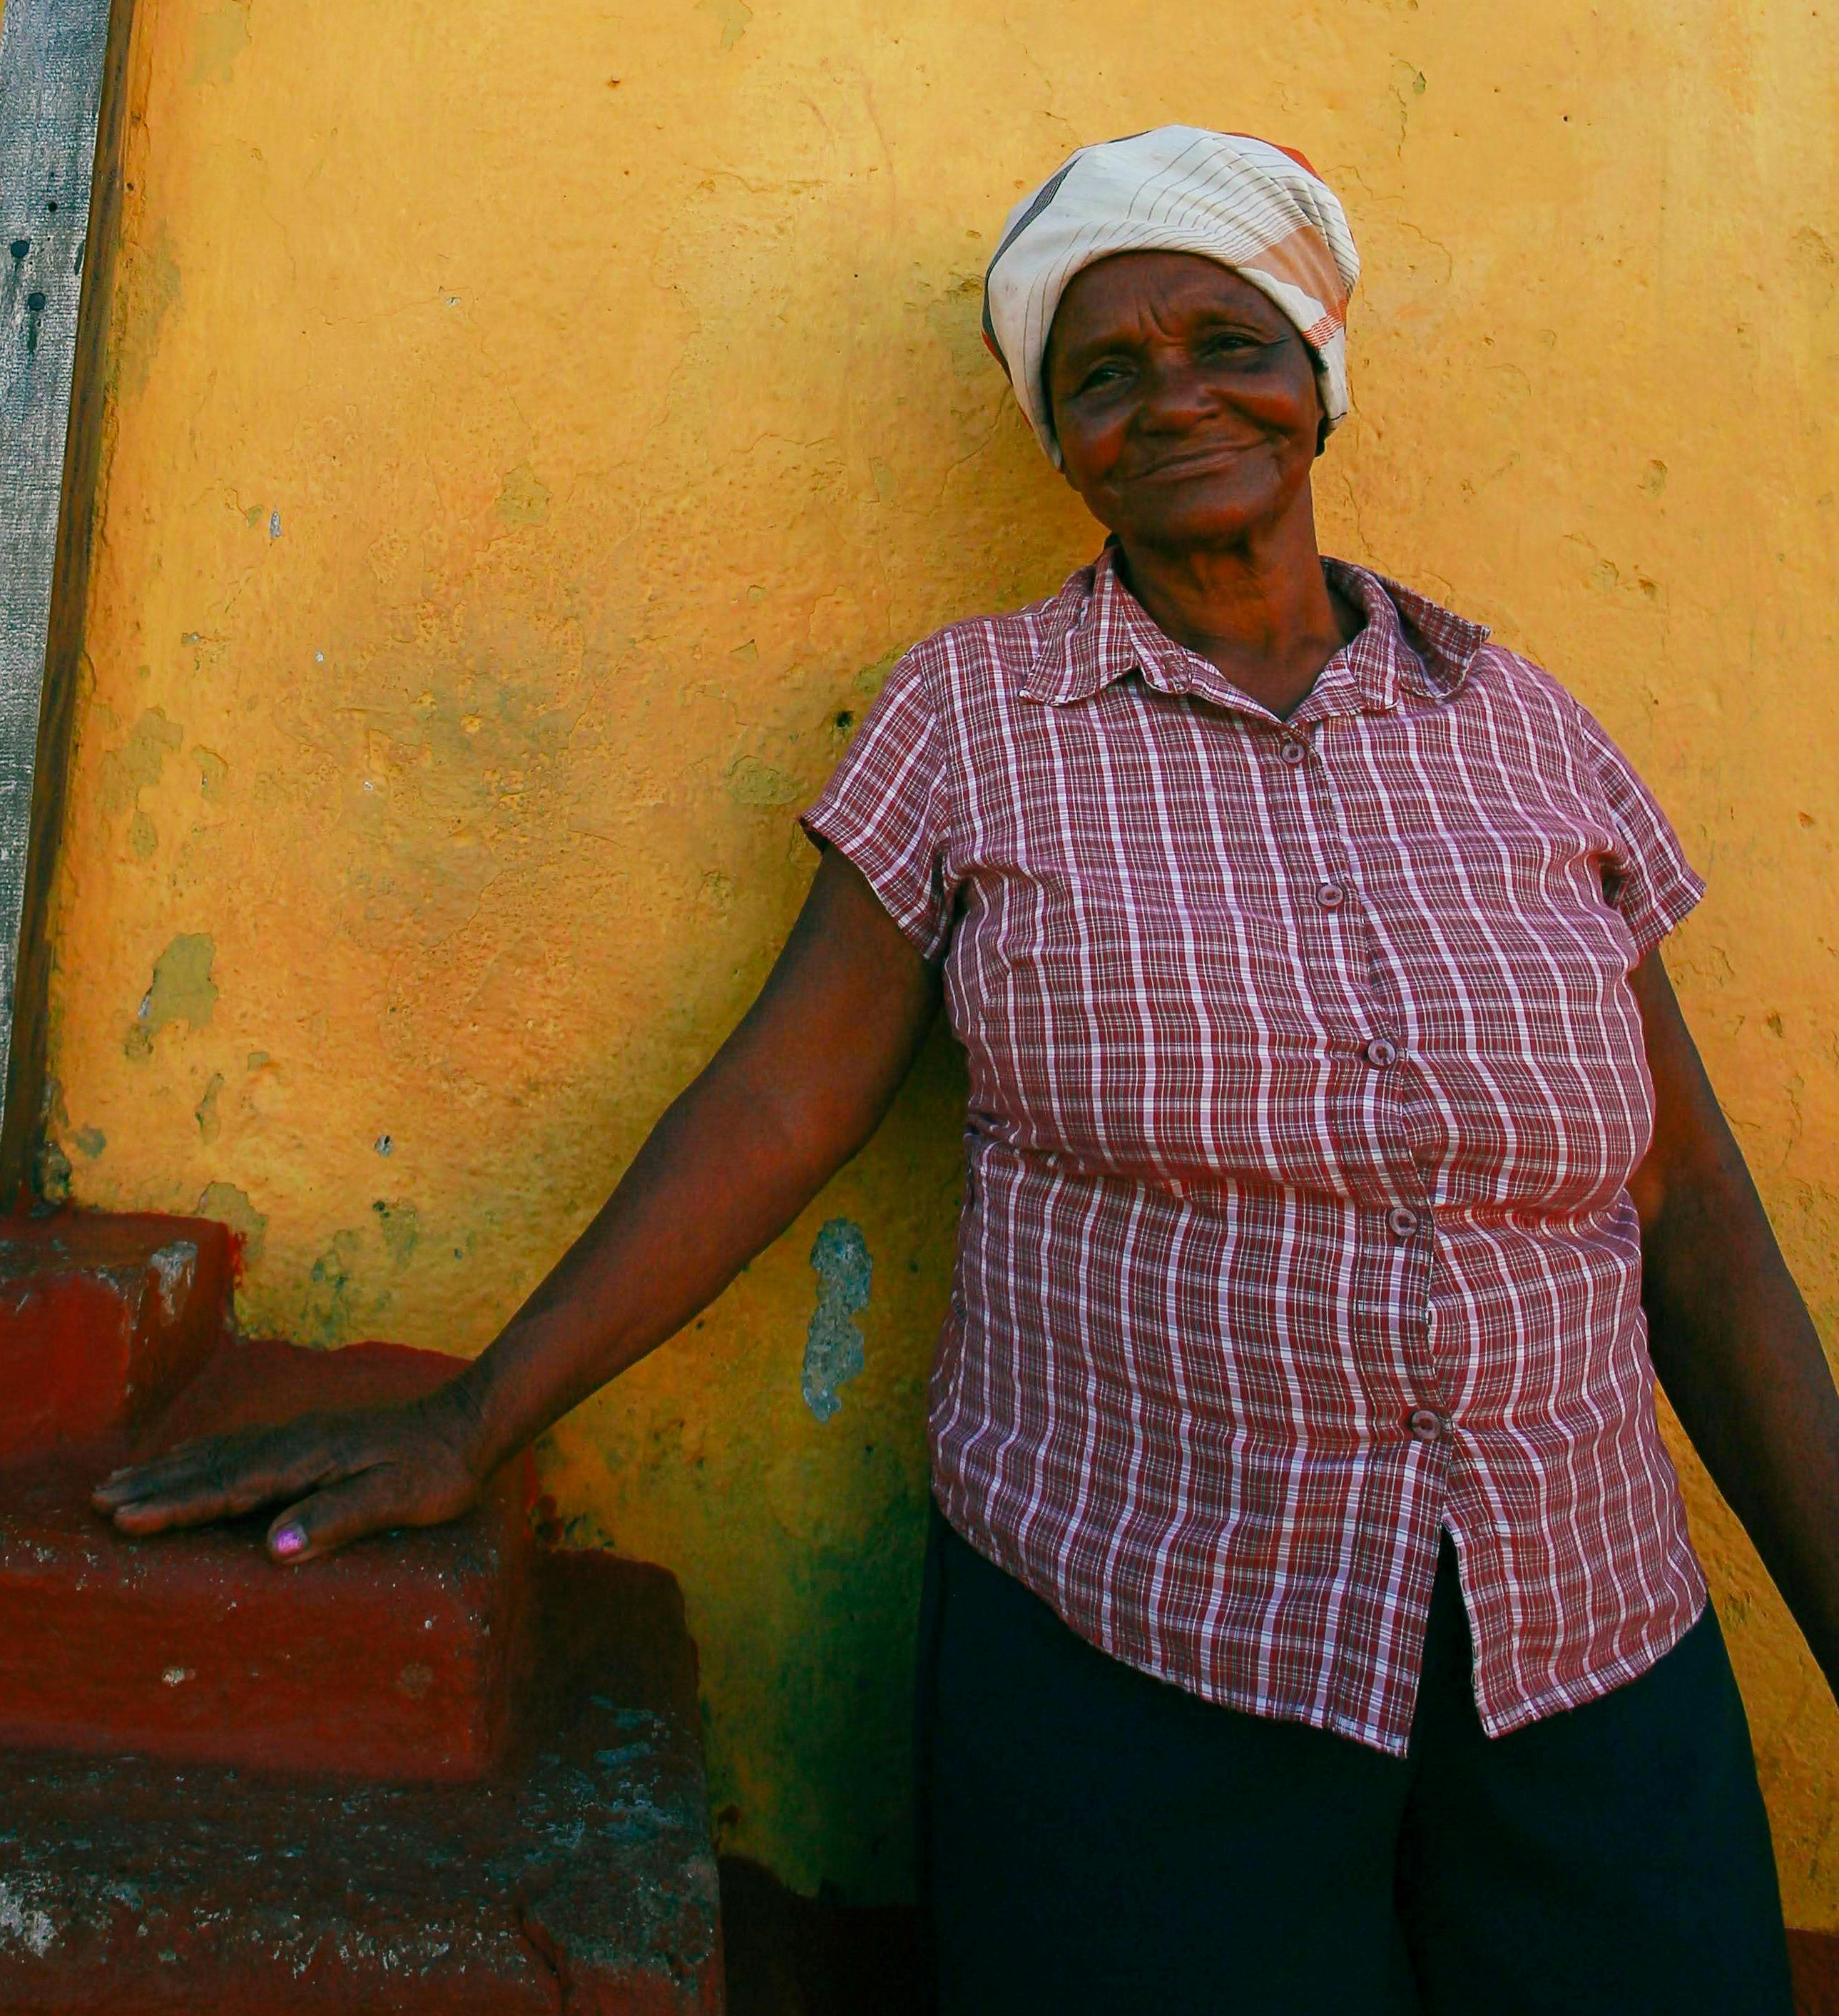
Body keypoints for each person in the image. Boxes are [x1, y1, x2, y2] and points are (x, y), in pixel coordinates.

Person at [95, 123, 1839, 2013]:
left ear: (1318, 370)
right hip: (1153, 1652)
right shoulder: (979, 715)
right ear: (1059, 438)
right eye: (1107, 371)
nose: (1176, 395)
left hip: (1586, 1650)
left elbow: (1694, 1218)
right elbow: (783, 1103)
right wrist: (478, 1411)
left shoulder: (1523, 721)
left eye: (1227, 337)